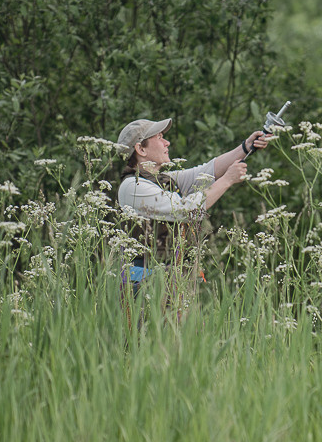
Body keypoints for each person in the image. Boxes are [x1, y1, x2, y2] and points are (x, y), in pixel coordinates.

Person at [114, 116, 272, 312]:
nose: (167, 142)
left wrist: (246, 147)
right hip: (143, 289)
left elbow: (208, 171)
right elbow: (187, 211)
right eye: (160, 137)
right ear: (141, 149)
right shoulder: (133, 186)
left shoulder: (159, 180)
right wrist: (227, 180)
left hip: (165, 284)